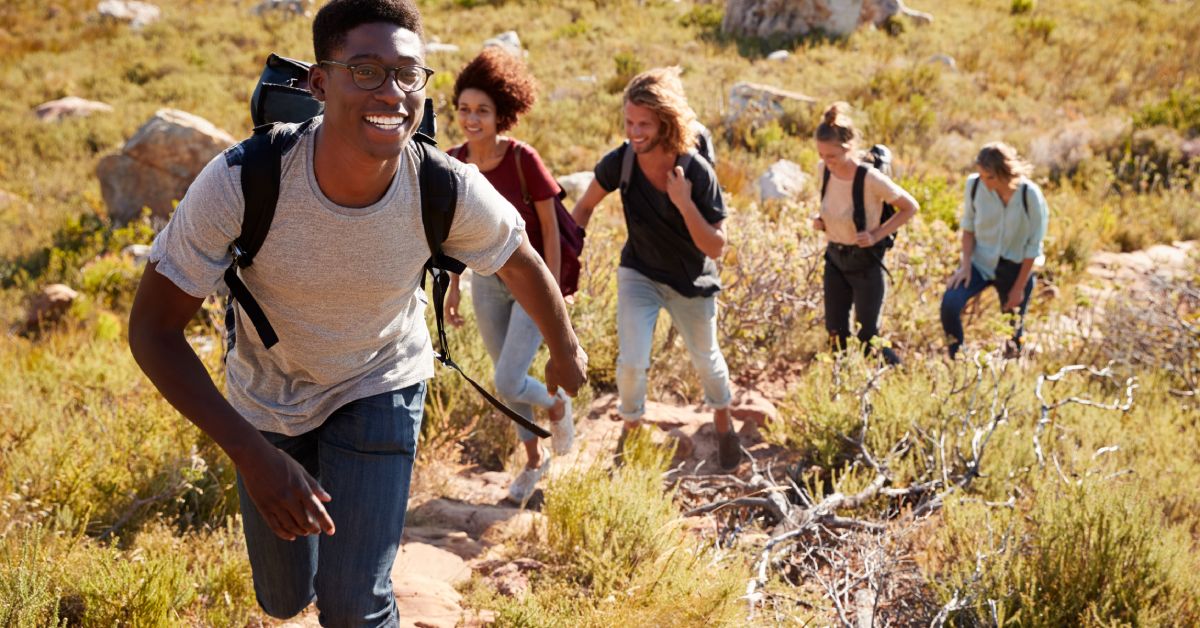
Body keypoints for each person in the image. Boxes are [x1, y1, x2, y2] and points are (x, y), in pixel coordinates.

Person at [126, 0, 587, 624]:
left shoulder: (443, 186)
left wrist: (564, 351)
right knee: (284, 598)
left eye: (408, 74)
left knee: (353, 605)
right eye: (366, 71)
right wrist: (253, 457)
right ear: (320, 82)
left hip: (380, 382)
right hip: (268, 401)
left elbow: (519, 259)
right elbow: (152, 330)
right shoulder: (243, 179)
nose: (392, 92)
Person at [571, 67, 739, 469]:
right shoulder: (623, 161)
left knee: (707, 360)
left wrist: (684, 202)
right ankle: (630, 435)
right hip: (640, 273)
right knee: (631, 362)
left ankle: (723, 422)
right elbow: (584, 207)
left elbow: (716, 247)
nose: (634, 132)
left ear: (666, 122)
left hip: (691, 282)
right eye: (629, 122)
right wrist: (565, 260)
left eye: (644, 124)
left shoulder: (695, 170)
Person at [443, 47, 574, 505]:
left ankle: (557, 406)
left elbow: (552, 234)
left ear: (502, 114)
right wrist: (453, 286)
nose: (472, 119)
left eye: (482, 111)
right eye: (464, 109)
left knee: (508, 380)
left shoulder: (523, 159)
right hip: (485, 283)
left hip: (532, 284)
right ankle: (534, 461)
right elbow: (452, 235)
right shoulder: (453, 162)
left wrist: (553, 292)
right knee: (507, 377)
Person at [811, 102, 919, 365]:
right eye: (822, 155)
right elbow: (833, 205)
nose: (827, 162)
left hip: (865, 263)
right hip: (835, 259)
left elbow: (909, 207)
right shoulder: (823, 170)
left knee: (868, 336)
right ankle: (841, 387)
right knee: (836, 334)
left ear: (848, 149)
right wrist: (822, 221)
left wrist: (877, 234)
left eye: (832, 156)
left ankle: (897, 376)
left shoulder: (870, 179)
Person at [940, 142, 1048, 359]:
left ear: (1005, 173)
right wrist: (965, 265)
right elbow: (968, 228)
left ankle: (1012, 371)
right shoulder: (974, 186)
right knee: (950, 304)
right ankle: (959, 359)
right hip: (981, 263)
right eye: (980, 175)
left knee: (1013, 331)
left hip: (1017, 268)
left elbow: (1033, 247)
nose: (983, 181)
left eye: (989, 177)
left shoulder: (1030, 195)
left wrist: (1018, 288)